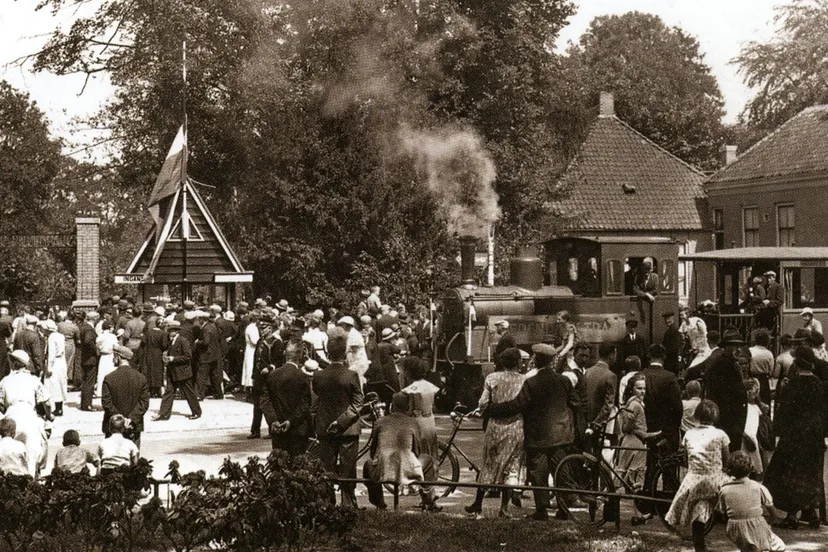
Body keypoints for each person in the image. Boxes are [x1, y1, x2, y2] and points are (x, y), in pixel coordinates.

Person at [486, 343, 577, 521]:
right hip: (561, 435)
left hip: (538, 437)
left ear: (535, 359)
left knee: (539, 473)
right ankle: (563, 509)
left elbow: (516, 405)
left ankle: (542, 510)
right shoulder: (564, 381)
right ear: (552, 361)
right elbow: (575, 403)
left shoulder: (532, 383)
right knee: (560, 472)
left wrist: (493, 409)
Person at [763, 350, 828, 529]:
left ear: (796, 365)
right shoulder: (819, 384)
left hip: (795, 434)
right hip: (814, 434)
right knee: (811, 472)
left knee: (791, 472)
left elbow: (785, 411)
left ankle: (792, 515)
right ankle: (812, 513)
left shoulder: (793, 385)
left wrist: (777, 432)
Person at [465, 348, 525, 517]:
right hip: (516, 426)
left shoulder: (492, 378)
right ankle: (504, 508)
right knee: (511, 465)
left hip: (495, 426)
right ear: (518, 362)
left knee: (489, 463)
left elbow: (483, 403)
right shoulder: (524, 379)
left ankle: (478, 503)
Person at [665, 400, 731, 552]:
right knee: (718, 503)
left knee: (697, 511)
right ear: (716, 417)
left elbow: (687, 458)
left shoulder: (689, 434)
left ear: (697, 416)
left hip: (694, 479)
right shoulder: (721, 434)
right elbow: (727, 460)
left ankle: (699, 545)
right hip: (715, 478)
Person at [313, 328, 364, 509]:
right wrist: (342, 421)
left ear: (327, 352)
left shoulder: (318, 376)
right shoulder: (351, 375)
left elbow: (316, 401)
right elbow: (358, 403)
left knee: (327, 467)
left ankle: (327, 502)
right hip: (348, 428)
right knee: (348, 468)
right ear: (344, 353)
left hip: (325, 428)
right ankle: (348, 503)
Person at [363, 392, 440, 511]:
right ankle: (428, 499)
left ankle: (379, 503)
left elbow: (373, 449)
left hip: (382, 470)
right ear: (408, 407)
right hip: (408, 470)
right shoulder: (413, 422)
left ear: (391, 406)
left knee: (367, 465)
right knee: (429, 461)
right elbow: (417, 450)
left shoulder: (381, 422)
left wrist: (377, 460)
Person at [616, 373, 661, 525]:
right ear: (632, 389)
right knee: (630, 477)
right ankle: (601, 500)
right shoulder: (635, 405)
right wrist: (644, 433)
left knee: (627, 478)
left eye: (644, 388)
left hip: (634, 441)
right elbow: (627, 426)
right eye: (639, 388)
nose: (642, 391)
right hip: (635, 443)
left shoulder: (634, 403)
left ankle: (637, 514)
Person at [718, 451, 786, 552]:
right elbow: (772, 512)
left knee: (748, 545)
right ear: (750, 469)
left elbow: (723, 513)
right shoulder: (758, 487)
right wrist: (768, 523)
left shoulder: (724, 490)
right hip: (756, 525)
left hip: (734, 527)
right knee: (780, 547)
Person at [259, 341, 313, 456]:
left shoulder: (272, 375)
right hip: (297, 430)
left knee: (279, 464)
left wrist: (273, 420)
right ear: (300, 356)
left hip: (277, 429)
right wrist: (291, 421)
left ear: (285, 354)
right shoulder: (302, 377)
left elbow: (264, 401)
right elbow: (305, 404)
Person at [703, 329, 748, 452]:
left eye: (739, 346)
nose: (738, 349)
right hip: (728, 421)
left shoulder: (731, 363)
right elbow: (722, 394)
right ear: (726, 348)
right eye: (734, 346)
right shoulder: (722, 365)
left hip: (732, 421)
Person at [153, 321, 202, 421]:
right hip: (173, 371)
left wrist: (173, 359)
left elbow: (188, 356)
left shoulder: (182, 341)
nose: (169, 332)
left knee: (189, 393)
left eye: (171, 330)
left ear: (176, 331)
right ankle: (163, 414)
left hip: (182, 372)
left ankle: (196, 412)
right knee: (169, 392)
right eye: (169, 330)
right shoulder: (172, 341)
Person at [102, 347, 149, 448]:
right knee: (133, 458)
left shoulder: (109, 378)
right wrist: (130, 419)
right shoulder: (141, 378)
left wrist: (120, 419)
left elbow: (106, 403)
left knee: (113, 458)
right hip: (134, 426)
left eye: (114, 356)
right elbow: (144, 403)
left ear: (118, 357)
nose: (113, 359)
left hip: (113, 427)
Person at [43, 319, 68, 416]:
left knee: (54, 385)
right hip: (61, 361)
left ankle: (56, 408)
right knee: (61, 384)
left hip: (55, 362)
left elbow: (51, 354)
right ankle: (59, 407)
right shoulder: (60, 336)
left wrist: (49, 367)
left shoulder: (51, 338)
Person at [338, 316, 370, 386]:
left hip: (358, 363)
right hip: (354, 363)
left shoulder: (354, 335)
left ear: (346, 325)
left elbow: (352, 350)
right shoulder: (350, 334)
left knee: (356, 382)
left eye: (342, 325)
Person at [142, 316, 167, 398]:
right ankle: (157, 389)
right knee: (158, 371)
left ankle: (150, 390)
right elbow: (164, 345)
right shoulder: (162, 333)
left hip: (148, 352)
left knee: (149, 370)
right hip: (157, 353)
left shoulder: (149, 332)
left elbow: (143, 342)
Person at [748, 328, 774, 405]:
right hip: (763, 380)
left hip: (751, 378)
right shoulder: (769, 354)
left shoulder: (750, 350)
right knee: (764, 401)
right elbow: (771, 370)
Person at [95, 321, 118, 398]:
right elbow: (116, 347)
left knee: (101, 374)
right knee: (111, 373)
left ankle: (100, 391)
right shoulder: (113, 337)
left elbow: (97, 348)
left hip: (102, 356)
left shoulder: (99, 337)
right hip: (110, 355)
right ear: (109, 328)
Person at [241, 312, 260, 391]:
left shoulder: (251, 327)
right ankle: (250, 388)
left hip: (250, 349)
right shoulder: (252, 328)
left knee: (249, 368)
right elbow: (255, 341)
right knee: (250, 369)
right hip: (251, 350)